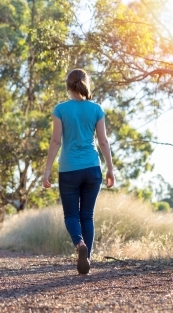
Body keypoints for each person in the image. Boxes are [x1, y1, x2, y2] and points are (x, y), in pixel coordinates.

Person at [43, 68, 115, 275]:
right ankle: (87, 259)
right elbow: (103, 141)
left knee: (71, 215)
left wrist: (47, 170)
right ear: (86, 84)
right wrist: (110, 168)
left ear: (68, 86)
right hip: (92, 168)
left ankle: (79, 245)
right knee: (87, 216)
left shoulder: (61, 109)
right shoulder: (96, 109)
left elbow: (56, 141)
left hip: (69, 169)